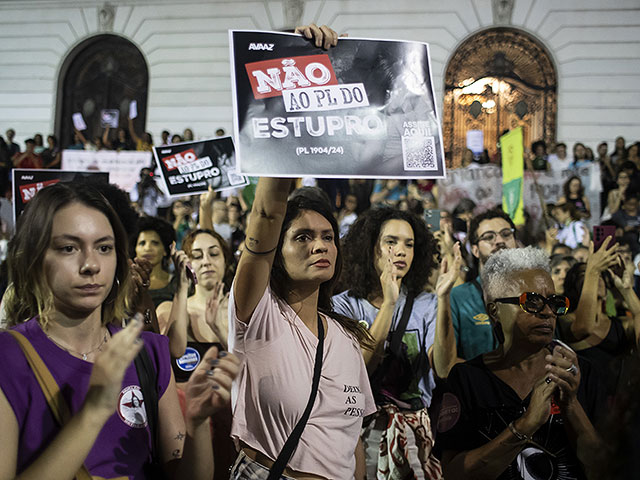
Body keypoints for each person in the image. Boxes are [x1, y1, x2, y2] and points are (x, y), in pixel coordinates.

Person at [0, 182, 240, 479]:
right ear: (35, 259)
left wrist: (198, 424)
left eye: (104, 248)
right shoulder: (8, 356)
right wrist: (93, 412)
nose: (90, 264)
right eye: (68, 248)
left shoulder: (149, 351)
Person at [229, 171, 376, 477]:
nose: (320, 246)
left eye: (328, 237)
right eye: (303, 237)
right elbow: (266, 215)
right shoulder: (259, 315)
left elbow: (353, 441)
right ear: (276, 253)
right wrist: (281, 157)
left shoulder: (347, 338)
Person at [437, 247, 604, 479]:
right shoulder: (467, 379)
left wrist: (570, 405)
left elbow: (605, 467)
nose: (547, 312)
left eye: (554, 302)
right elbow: (454, 473)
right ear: (494, 311)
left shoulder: (579, 374)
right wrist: (525, 425)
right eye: (532, 302)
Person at [332, 207, 462, 479]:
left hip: (415, 443)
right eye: (390, 242)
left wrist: (443, 299)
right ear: (371, 248)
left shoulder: (426, 304)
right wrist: (389, 304)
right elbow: (360, 370)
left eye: (409, 244)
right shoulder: (344, 306)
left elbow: (444, 368)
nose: (401, 251)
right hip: (358, 440)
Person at [559, 238, 640, 396]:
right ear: (573, 287)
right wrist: (593, 270)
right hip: (584, 404)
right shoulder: (564, 321)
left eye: (600, 275)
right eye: (585, 274)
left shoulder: (620, 325)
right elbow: (583, 328)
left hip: (616, 408)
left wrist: (627, 290)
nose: (598, 279)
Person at [450, 208, 517, 360]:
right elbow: (446, 362)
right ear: (475, 250)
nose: (500, 241)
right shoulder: (458, 297)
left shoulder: (533, 292)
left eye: (506, 234)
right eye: (488, 237)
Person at [133, 216, 178, 308]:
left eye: (155, 243)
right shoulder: (125, 285)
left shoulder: (178, 283)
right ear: (135, 249)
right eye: (142, 243)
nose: (148, 248)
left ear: (165, 250)